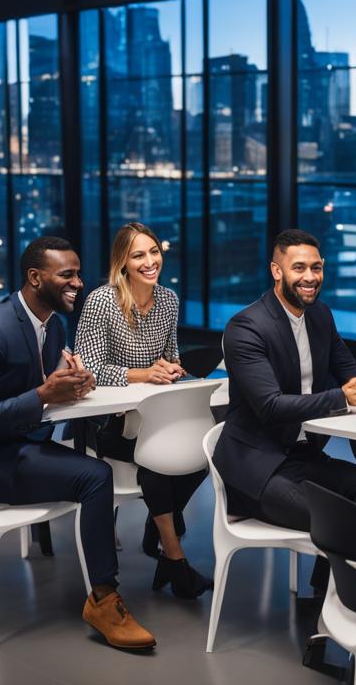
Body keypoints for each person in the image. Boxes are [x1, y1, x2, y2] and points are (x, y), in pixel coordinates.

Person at [0, 236, 156, 650]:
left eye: (78, 273)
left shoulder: (53, 322)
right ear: (35, 278)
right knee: (95, 476)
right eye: (67, 275)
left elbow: (45, 383)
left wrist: (76, 382)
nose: (78, 282)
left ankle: (102, 593)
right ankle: (103, 600)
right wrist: (45, 395)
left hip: (22, 446)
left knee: (93, 469)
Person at [211, 229, 356, 589]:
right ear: (277, 271)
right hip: (256, 471)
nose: (310, 277)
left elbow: (352, 373)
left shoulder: (320, 316)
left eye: (316, 267)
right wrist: (341, 398)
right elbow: (270, 406)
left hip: (304, 458)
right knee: (345, 521)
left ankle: (325, 592)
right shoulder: (246, 327)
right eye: (299, 267)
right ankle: (336, 613)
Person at [75, 222, 211, 600]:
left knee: (200, 453)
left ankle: (160, 527)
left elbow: (172, 355)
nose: (150, 261)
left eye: (154, 252)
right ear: (122, 262)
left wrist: (171, 368)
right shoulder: (102, 301)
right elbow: (87, 369)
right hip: (109, 423)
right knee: (156, 464)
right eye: (138, 255)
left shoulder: (168, 299)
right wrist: (142, 374)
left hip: (154, 415)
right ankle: (174, 555)